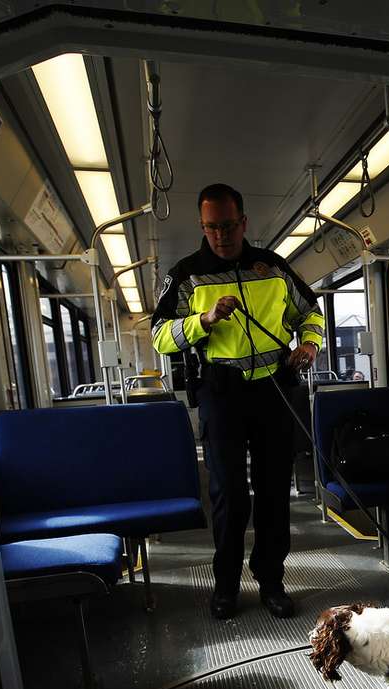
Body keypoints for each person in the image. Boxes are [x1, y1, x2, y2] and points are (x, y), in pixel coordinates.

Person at [152, 184, 326, 620]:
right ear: (202, 226)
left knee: (273, 492)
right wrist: (202, 320)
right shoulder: (187, 274)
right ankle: (226, 585)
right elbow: (158, 335)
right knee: (229, 494)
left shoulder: (273, 268)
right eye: (211, 227)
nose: (221, 235)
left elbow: (312, 312)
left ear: (244, 222)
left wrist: (308, 346)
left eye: (228, 226)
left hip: (273, 390)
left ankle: (271, 580)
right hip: (222, 392)